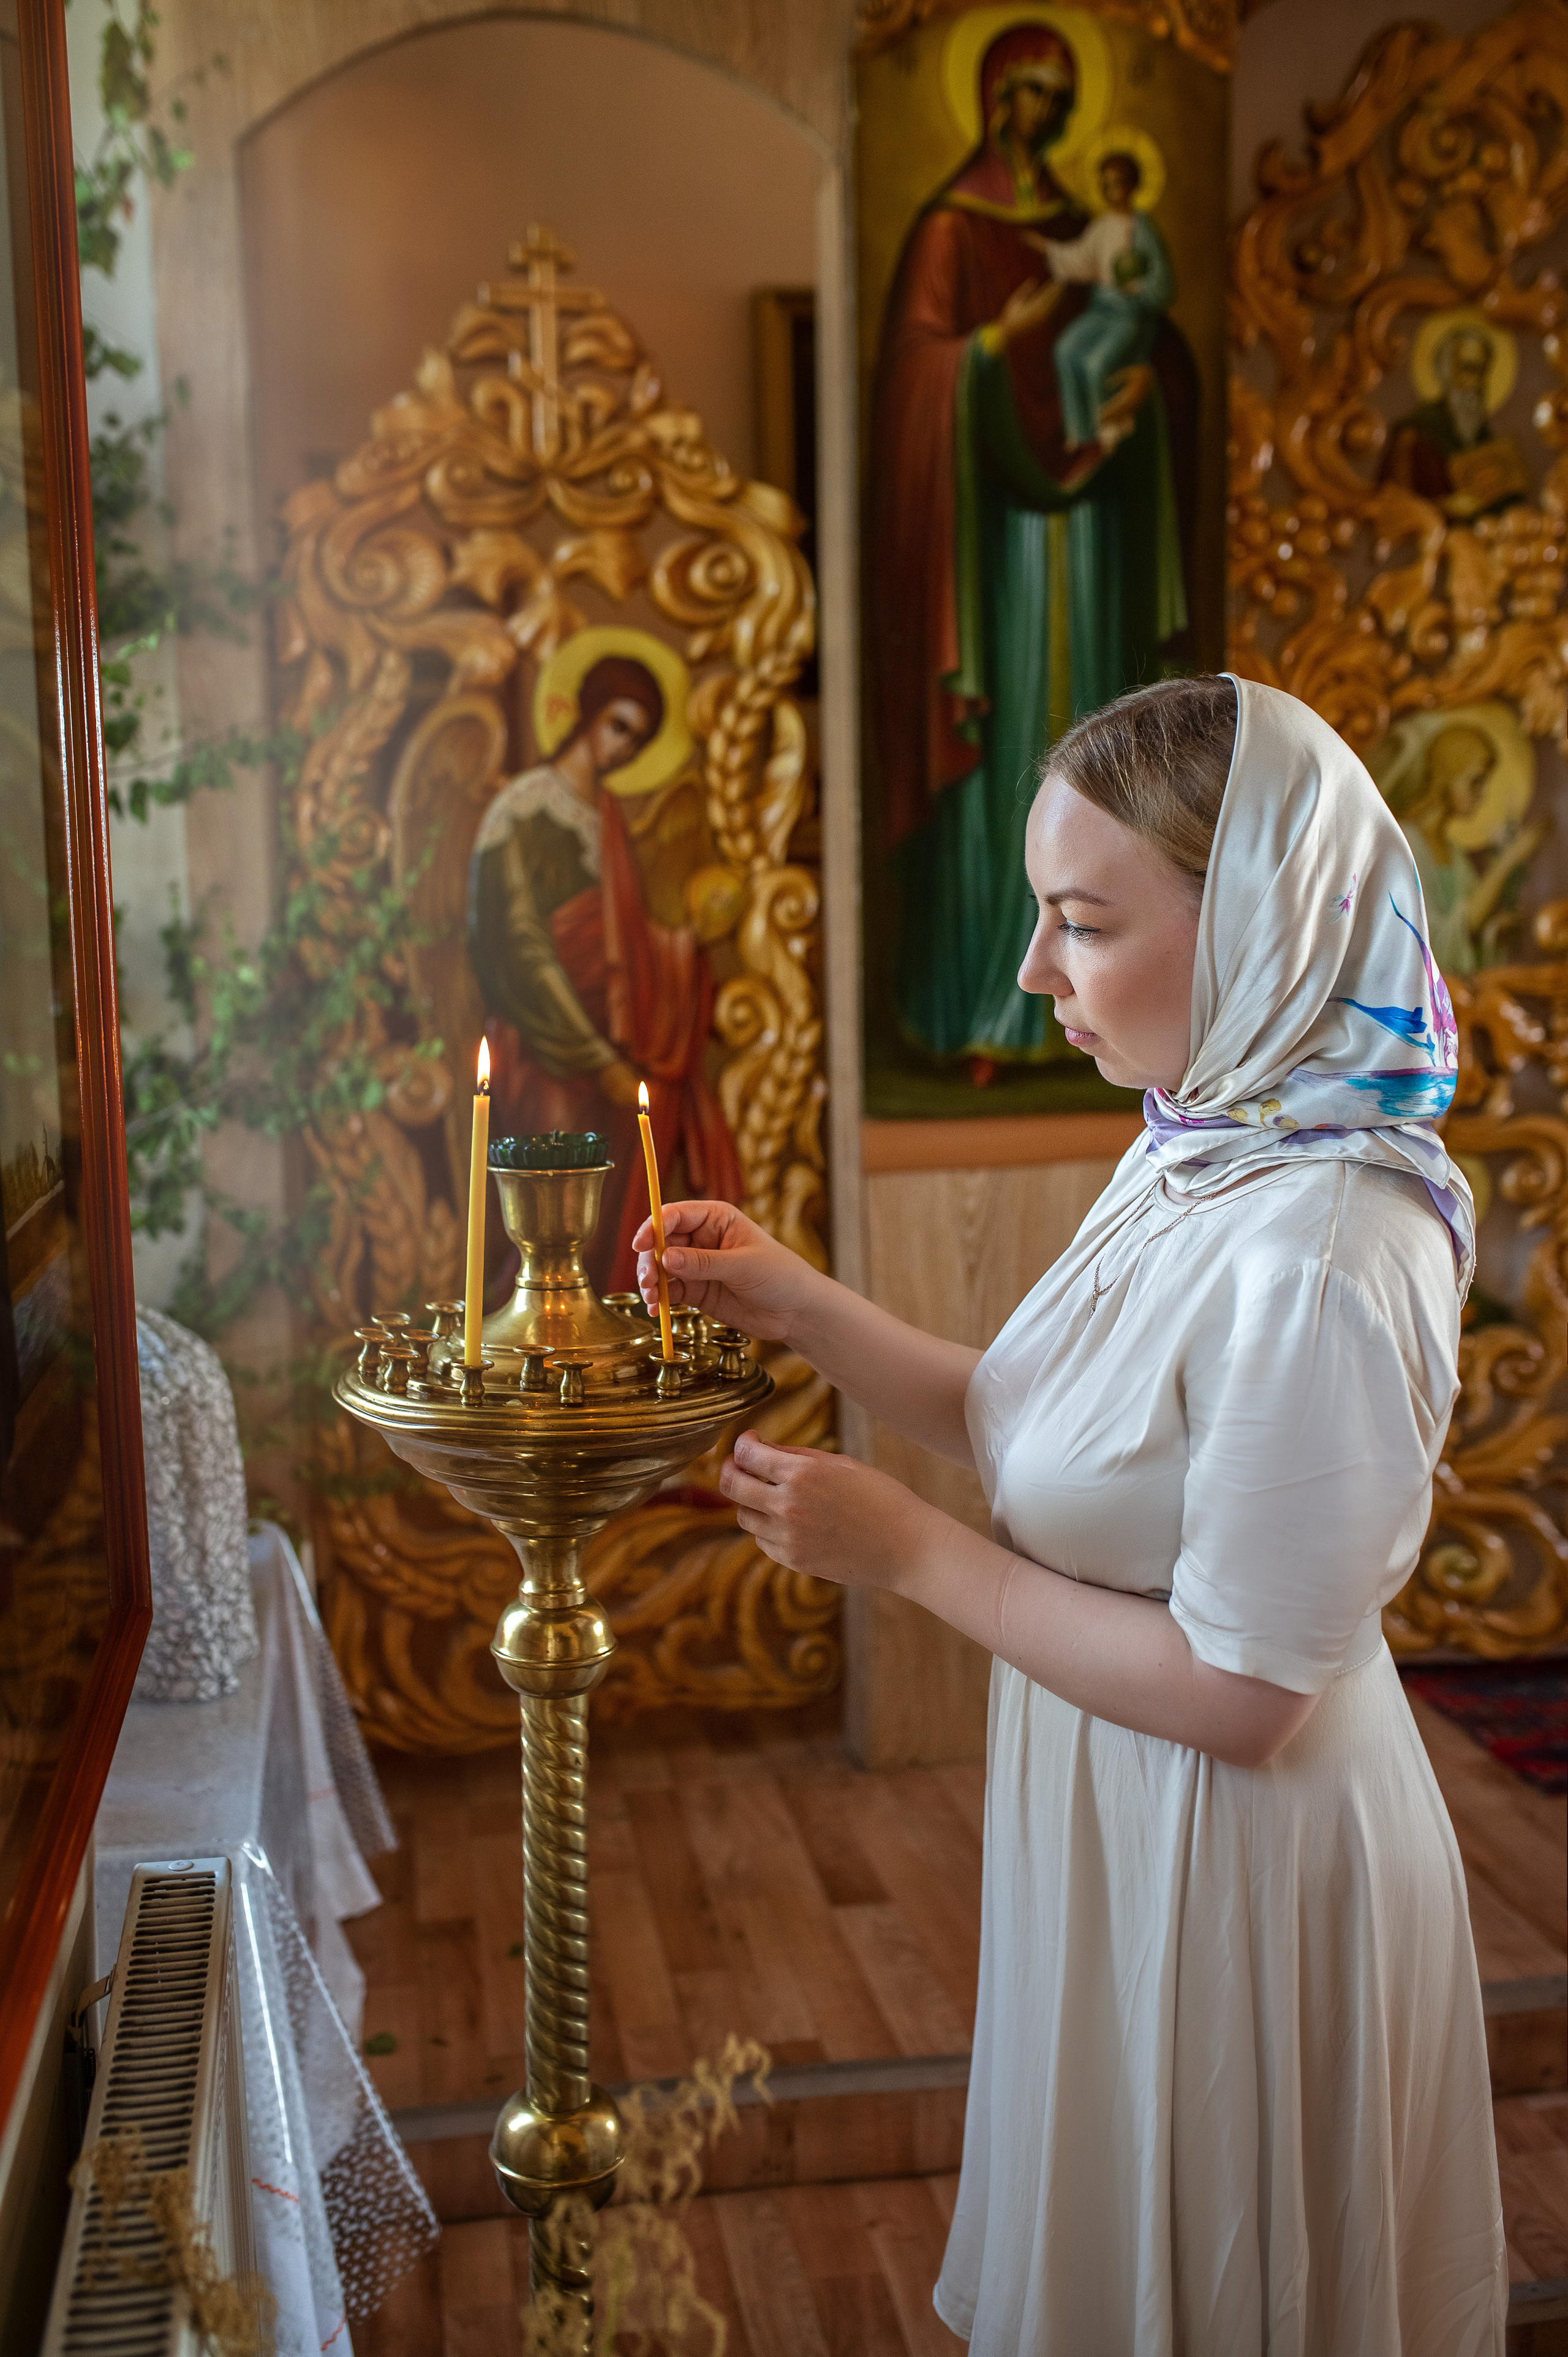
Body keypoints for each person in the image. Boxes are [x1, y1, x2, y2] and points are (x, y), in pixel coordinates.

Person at [637, 676, 1506, 2353]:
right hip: (1126, 1814)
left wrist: (909, 1554)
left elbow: (1249, 1694)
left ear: (1259, 917)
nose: (1035, 970)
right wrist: (799, 1302)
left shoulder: (1326, 1247)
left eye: (1082, 922)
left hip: (1246, 1866)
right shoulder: (1201, 1136)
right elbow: (1041, 1432)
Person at [869, 23, 1198, 1081]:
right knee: (1012, 766)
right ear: (992, 98)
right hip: (991, 555)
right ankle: (981, 1006)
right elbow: (917, 381)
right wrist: (995, 349)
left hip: (1091, 542)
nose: (1041, 114)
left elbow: (1157, 347)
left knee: (1110, 753)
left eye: (1060, 97)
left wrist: (1147, 401)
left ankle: (1130, 1020)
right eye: (1027, 93)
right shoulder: (952, 230)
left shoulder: (1092, 224)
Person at [468, 651, 741, 1290]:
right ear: (585, 717)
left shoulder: (607, 818)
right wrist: (595, 1057)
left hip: (607, 1057)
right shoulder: (524, 809)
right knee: (547, 1225)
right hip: (543, 1048)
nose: (622, 747)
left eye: (638, 739)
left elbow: (625, 945)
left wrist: (684, 945)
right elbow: (520, 947)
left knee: (601, 1226)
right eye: (618, 726)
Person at [1039, 149, 1175, 452]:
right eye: (1105, 185)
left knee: (1095, 365)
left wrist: (1139, 287)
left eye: (1116, 184)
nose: (1110, 192)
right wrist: (1049, 250)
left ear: (1132, 186)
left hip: (1130, 316)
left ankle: (1108, 431)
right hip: (1101, 309)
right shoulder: (1101, 227)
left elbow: (1163, 284)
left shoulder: (1144, 229)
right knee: (1064, 350)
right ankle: (1078, 433)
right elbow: (1081, 260)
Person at [1393, 720, 1547, 975]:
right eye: (1475, 781)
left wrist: (1495, 931)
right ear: (1448, 777)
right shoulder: (1407, 841)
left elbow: (1471, 930)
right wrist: (1510, 858)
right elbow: (1439, 940)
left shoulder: (1453, 852)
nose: (1483, 793)